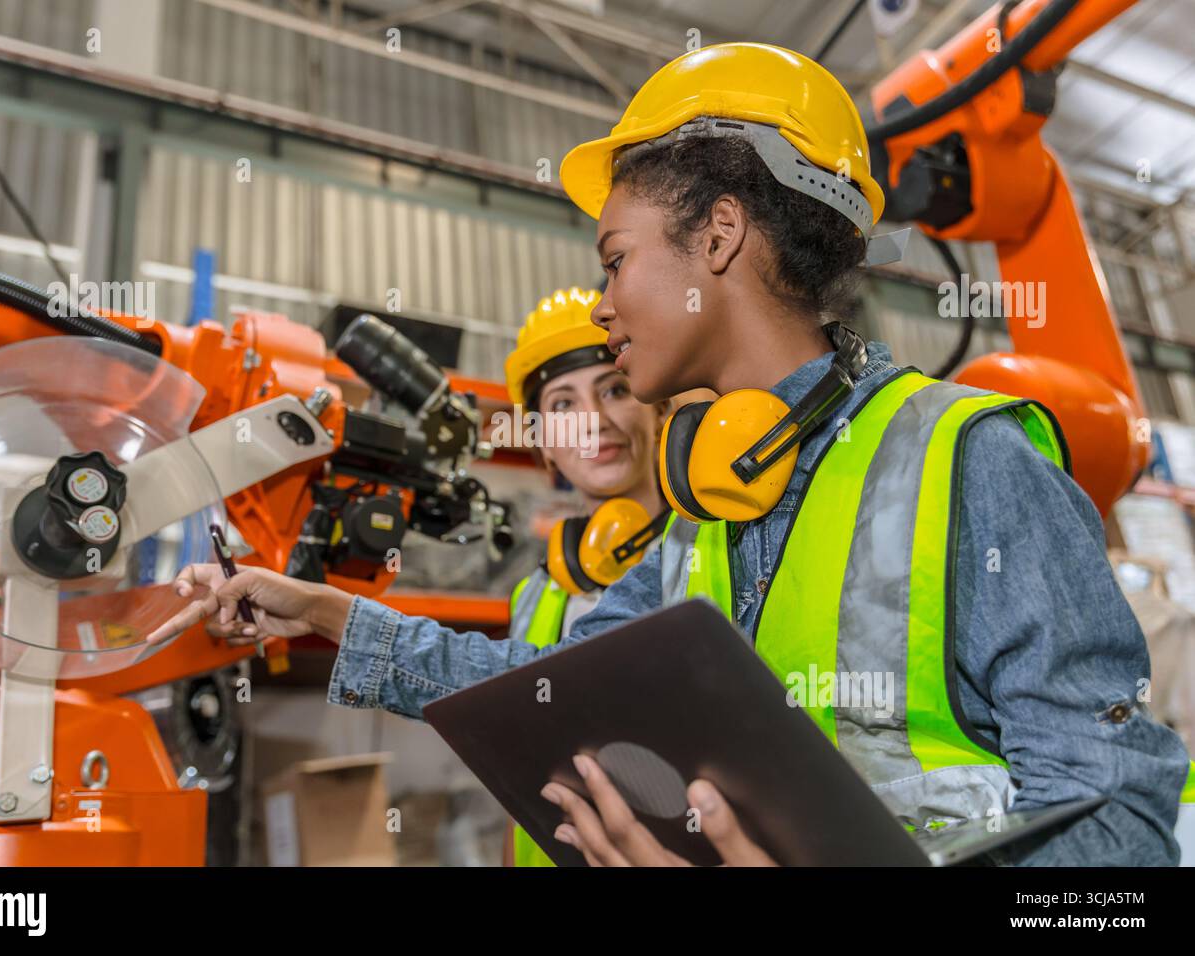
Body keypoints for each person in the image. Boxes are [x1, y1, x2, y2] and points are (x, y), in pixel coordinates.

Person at [148, 42, 1194, 867]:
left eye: (615, 258)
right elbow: (547, 686)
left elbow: (1119, 843)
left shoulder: (972, 462)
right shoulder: (702, 510)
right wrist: (329, 612)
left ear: (719, 236)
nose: (601, 305)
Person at [500, 286, 671, 866]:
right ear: (545, 445)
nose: (594, 421)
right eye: (563, 405)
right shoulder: (531, 597)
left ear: (657, 406)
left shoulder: (720, 558)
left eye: (616, 389)